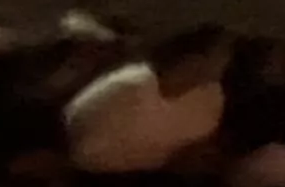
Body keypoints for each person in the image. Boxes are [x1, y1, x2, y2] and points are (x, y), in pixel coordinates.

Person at [61, 27, 230, 174]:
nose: (226, 61)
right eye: (222, 54)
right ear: (195, 58)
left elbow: (193, 147)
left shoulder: (210, 96)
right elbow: (83, 147)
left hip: (155, 178)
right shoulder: (128, 87)